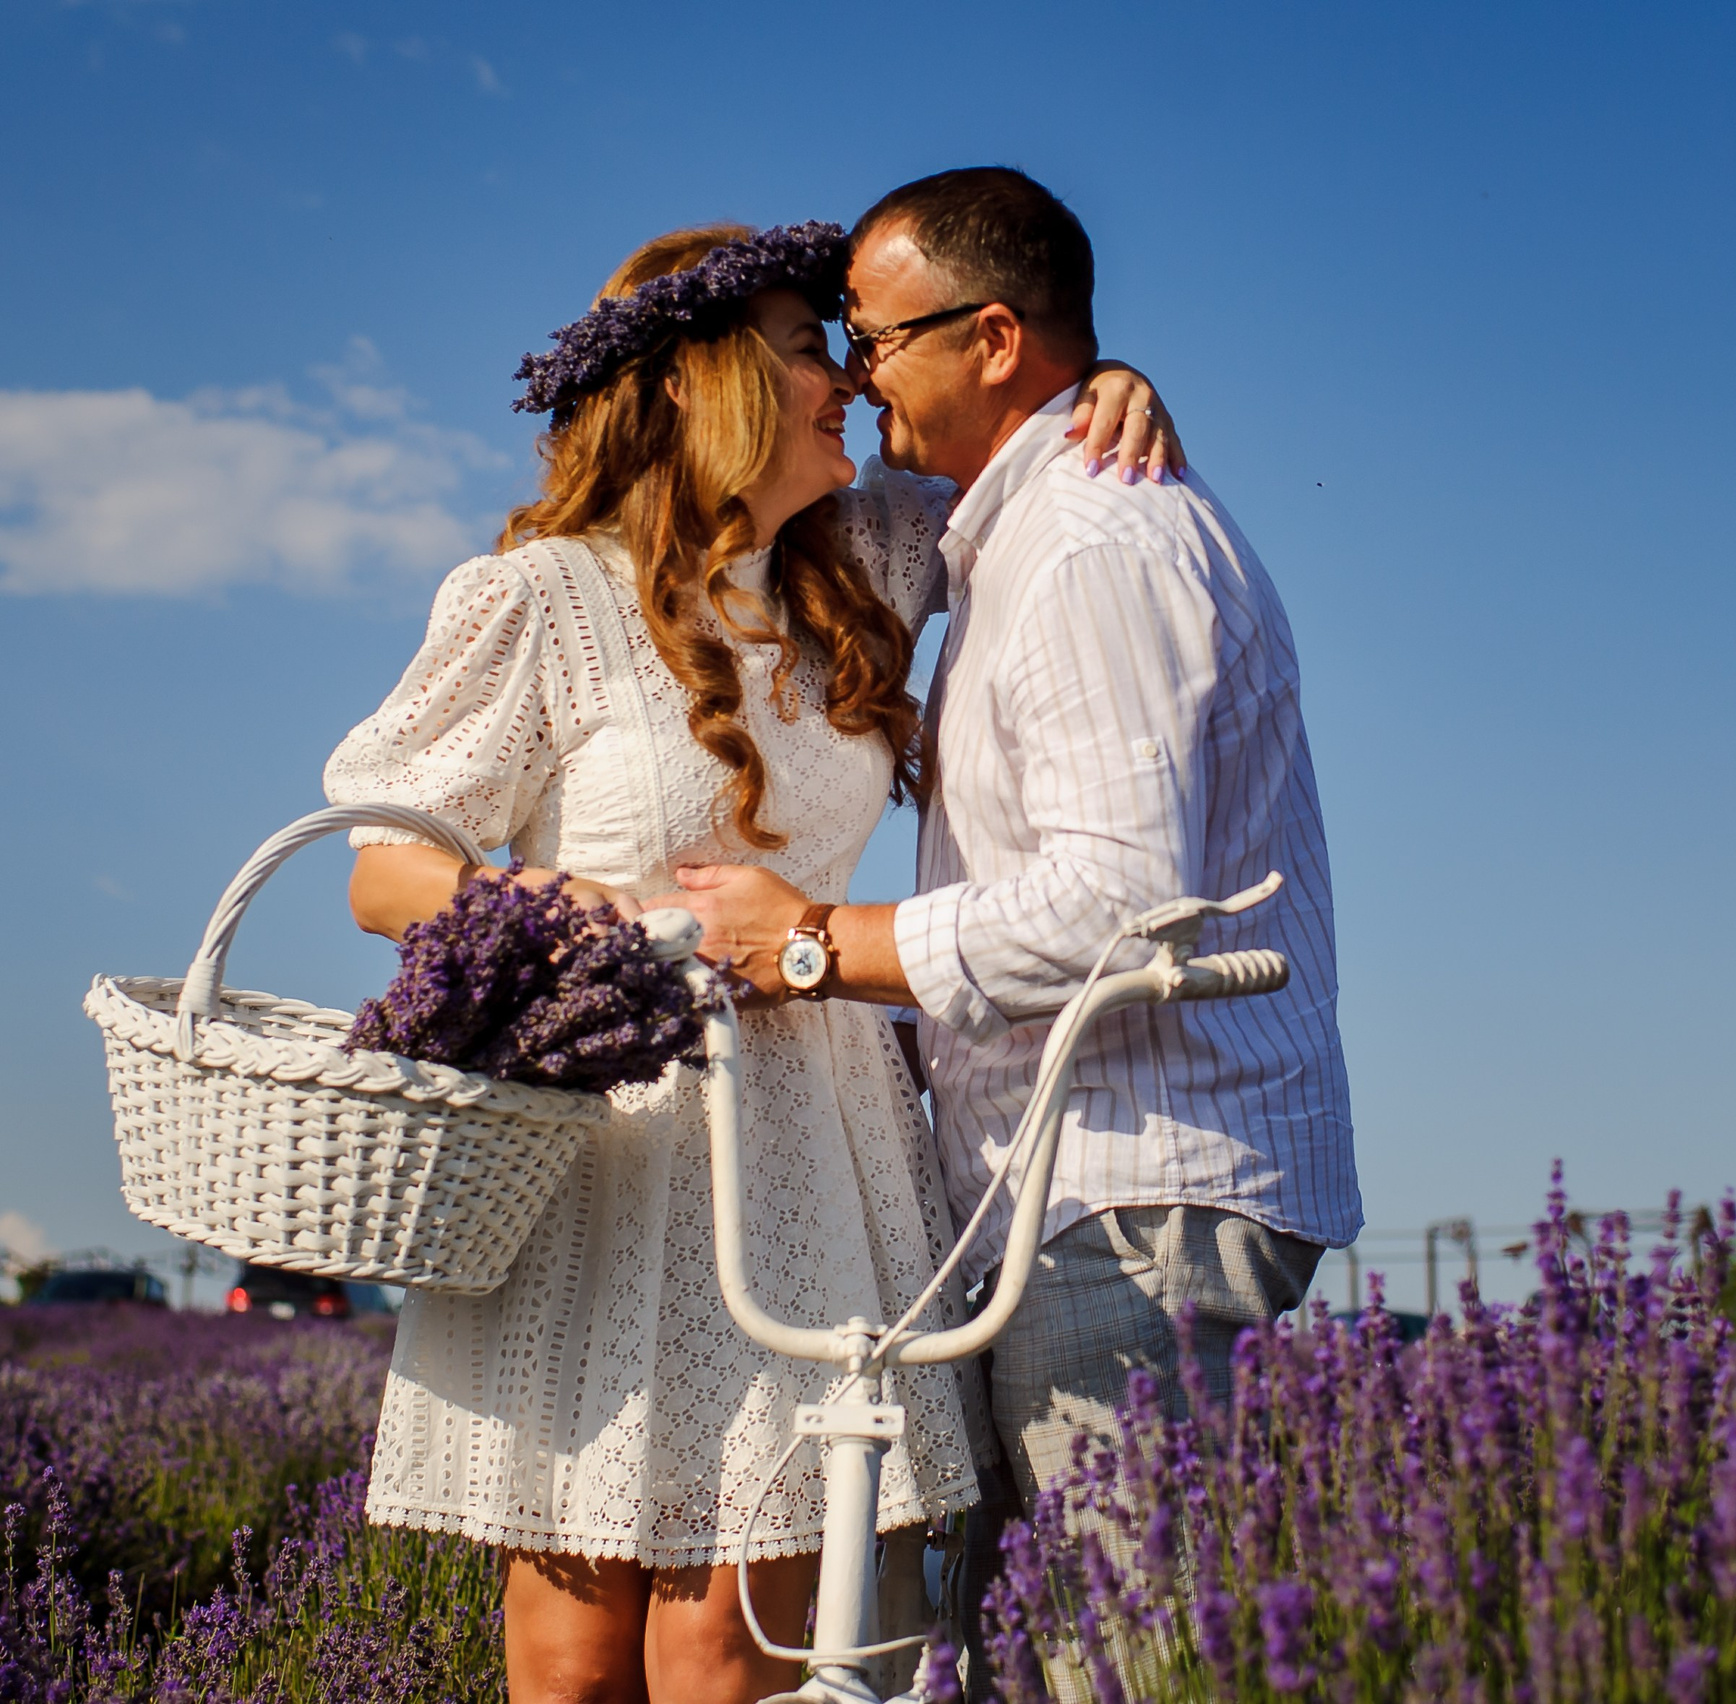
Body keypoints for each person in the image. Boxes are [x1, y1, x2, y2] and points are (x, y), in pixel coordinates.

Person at [320, 218, 1182, 1704]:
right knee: (571, 1651)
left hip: (810, 1150)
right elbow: (384, 870)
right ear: (704, 381)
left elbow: (1018, 442)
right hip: (604, 1152)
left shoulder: (870, 558)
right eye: (808, 348)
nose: (847, 375)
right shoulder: (542, 599)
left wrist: (1117, 382)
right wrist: (586, 909)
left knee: (738, 1645)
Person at [662, 168, 1362, 1682]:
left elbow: (1120, 900)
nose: (855, 372)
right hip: (1061, 1200)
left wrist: (815, 945)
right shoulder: (1009, 528)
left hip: (1126, 1198)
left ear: (989, 339)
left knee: (1132, 1656)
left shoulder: (1093, 550)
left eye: (875, 336)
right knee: (1035, 1661)